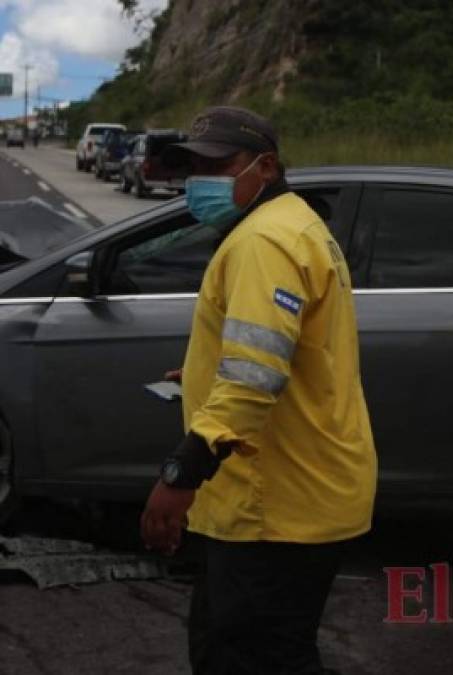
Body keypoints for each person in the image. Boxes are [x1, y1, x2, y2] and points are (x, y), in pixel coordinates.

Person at [139, 106, 377, 674]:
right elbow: (280, 351)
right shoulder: (294, 223)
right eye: (194, 164)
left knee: (246, 658)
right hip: (300, 491)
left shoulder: (263, 242)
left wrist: (181, 474)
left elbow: (253, 377)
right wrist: (199, 374)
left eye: (218, 164)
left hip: (275, 503)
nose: (200, 178)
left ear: (265, 166)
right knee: (271, 650)